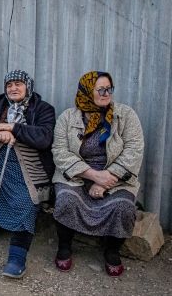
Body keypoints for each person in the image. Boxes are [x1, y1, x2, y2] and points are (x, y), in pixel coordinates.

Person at [52, 71, 144, 277]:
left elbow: (134, 150)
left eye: (109, 88)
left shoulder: (125, 115)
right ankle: (65, 247)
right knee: (66, 201)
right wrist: (93, 176)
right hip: (78, 175)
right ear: (86, 91)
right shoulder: (68, 117)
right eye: (100, 89)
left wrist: (105, 180)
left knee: (123, 207)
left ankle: (111, 250)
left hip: (114, 178)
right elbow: (60, 151)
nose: (106, 93)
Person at [0, 70, 56, 278]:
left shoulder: (43, 109)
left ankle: (17, 258)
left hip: (29, 167)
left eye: (18, 84)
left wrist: (13, 128)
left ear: (28, 87)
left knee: (27, 199)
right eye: (9, 85)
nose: (13, 88)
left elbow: (44, 137)